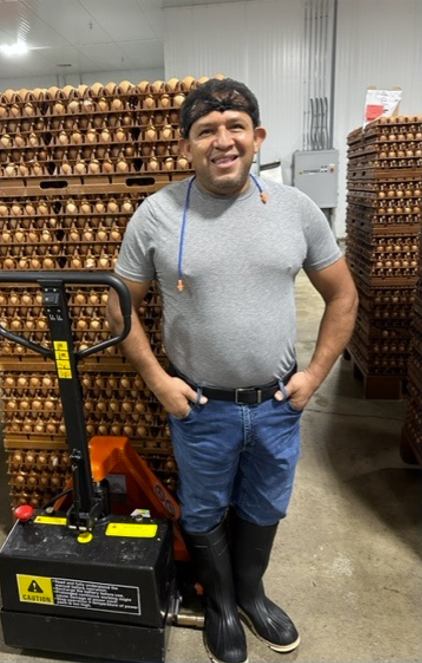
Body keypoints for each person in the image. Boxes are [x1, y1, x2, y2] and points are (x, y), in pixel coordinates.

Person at [107, 77, 358, 663]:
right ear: (186, 147)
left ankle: (251, 593)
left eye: (235, 127)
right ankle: (220, 603)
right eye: (206, 131)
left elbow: (343, 296)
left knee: (265, 504)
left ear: (257, 137)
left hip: (277, 405)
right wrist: (158, 381)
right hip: (201, 407)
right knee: (202, 508)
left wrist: (315, 375)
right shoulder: (158, 214)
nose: (222, 141)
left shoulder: (295, 209)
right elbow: (117, 305)